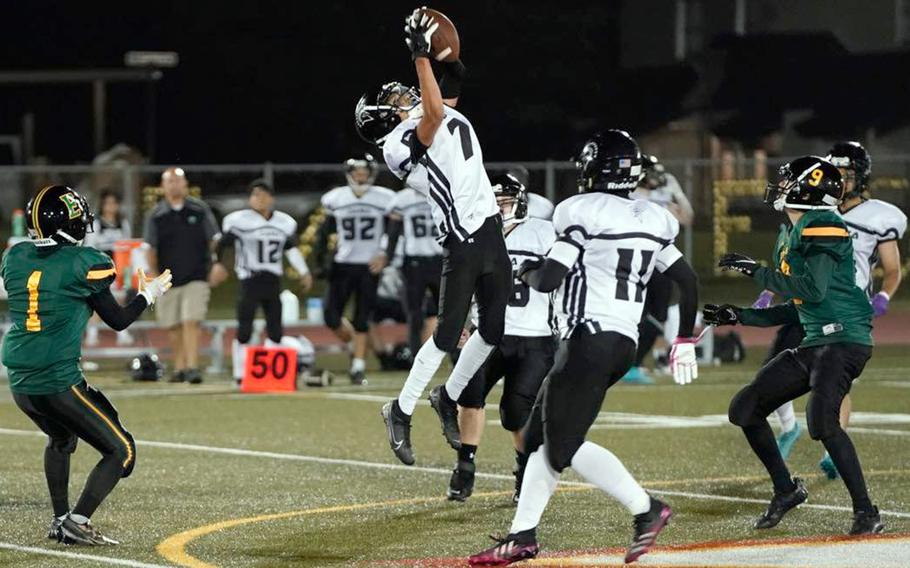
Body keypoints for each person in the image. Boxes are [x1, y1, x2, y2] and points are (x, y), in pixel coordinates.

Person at [469, 130, 700, 566]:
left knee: (562, 445)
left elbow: (552, 278)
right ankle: (522, 536)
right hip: (621, 342)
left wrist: (526, 273)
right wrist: (684, 338)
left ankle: (646, 508)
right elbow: (686, 281)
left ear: (595, 168)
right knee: (538, 438)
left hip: (588, 339)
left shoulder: (579, 210)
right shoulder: (653, 216)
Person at [355, 10, 511, 466]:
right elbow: (437, 112)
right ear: (384, 115)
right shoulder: (395, 145)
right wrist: (422, 57)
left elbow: (447, 99)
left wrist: (450, 65)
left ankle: (449, 396)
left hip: (488, 228)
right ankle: (399, 410)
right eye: (395, 97)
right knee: (445, 335)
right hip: (461, 235)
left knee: (493, 331)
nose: (404, 94)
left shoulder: (429, 110)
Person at [704, 155, 884, 535]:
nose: (781, 187)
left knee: (822, 422)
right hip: (817, 338)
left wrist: (756, 271)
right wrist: (737, 316)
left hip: (846, 339)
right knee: (746, 408)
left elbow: (811, 289)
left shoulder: (826, 224)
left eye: (788, 182)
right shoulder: (791, 231)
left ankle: (867, 512)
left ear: (807, 188)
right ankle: (786, 490)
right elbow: (801, 307)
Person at [1, 186, 172, 546]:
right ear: (69, 225)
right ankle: (76, 521)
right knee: (121, 450)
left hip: (20, 381)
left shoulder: (15, 258)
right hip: (56, 380)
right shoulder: (84, 264)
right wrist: (149, 294)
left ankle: (61, 519)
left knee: (62, 438)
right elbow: (119, 319)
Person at [762, 141, 906, 477]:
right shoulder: (812, 208)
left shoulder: (878, 216)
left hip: (843, 306)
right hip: (807, 299)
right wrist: (770, 290)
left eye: (846, 174)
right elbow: (791, 256)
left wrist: (884, 295)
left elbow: (893, 268)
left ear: (862, 177)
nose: (839, 180)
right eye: (834, 173)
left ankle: (833, 448)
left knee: (833, 382)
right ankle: (789, 428)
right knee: (775, 364)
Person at [449, 173, 556, 503]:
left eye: (505, 201)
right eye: (492, 201)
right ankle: (464, 466)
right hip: (488, 333)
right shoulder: (474, 234)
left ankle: (524, 474)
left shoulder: (543, 232)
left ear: (521, 202)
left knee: (515, 411)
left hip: (535, 335)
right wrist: (459, 323)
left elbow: (563, 277)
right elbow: (461, 284)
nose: (498, 207)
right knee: (469, 394)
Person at [209, 181, 312, 385]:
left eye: (264, 195)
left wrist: (304, 271)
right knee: (244, 329)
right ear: (250, 199)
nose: (260, 199)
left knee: (275, 329)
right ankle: (240, 374)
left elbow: (290, 249)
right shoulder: (239, 220)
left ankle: (273, 375)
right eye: (256, 195)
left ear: (272, 199)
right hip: (250, 279)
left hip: (273, 279)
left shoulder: (283, 222)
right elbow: (223, 243)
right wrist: (218, 263)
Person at [314, 155, 395, 385]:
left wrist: (384, 255)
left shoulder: (385, 198)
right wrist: (321, 262)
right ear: (349, 173)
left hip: (369, 265)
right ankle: (355, 345)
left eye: (364, 171)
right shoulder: (335, 198)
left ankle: (357, 367)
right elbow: (324, 233)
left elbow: (393, 230)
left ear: (371, 173)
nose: (360, 175)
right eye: (357, 171)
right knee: (331, 316)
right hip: (343, 263)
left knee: (362, 318)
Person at [144, 167, 220, 384]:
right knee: (173, 324)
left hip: (197, 275)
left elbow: (214, 239)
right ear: (162, 186)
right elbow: (150, 248)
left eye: (178, 180)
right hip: (168, 277)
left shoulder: (199, 209)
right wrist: (156, 276)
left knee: (191, 321)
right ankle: (180, 368)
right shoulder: (156, 215)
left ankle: (193, 367)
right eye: (170, 181)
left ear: (185, 184)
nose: (174, 185)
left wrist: (216, 264)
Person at [623, 154, 694, 384]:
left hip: (661, 258)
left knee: (658, 316)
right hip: (635, 259)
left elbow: (687, 218)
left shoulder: (663, 189)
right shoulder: (629, 193)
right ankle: (629, 363)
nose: (657, 179)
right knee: (637, 315)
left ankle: (634, 364)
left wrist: (678, 195)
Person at [370, 178, 443, 360]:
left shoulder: (443, 194)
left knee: (448, 311)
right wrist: (386, 256)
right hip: (414, 262)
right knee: (415, 313)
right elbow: (394, 232)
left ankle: (456, 356)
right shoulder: (403, 199)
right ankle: (416, 357)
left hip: (439, 259)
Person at [84, 189, 133, 347]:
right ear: (103, 205)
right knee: (99, 301)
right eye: (108, 203)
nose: (111, 207)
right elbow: (90, 247)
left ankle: (122, 333)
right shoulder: (96, 224)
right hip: (101, 268)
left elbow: (128, 245)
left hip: (119, 268)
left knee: (119, 300)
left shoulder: (122, 223)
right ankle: (92, 334)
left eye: (114, 203)